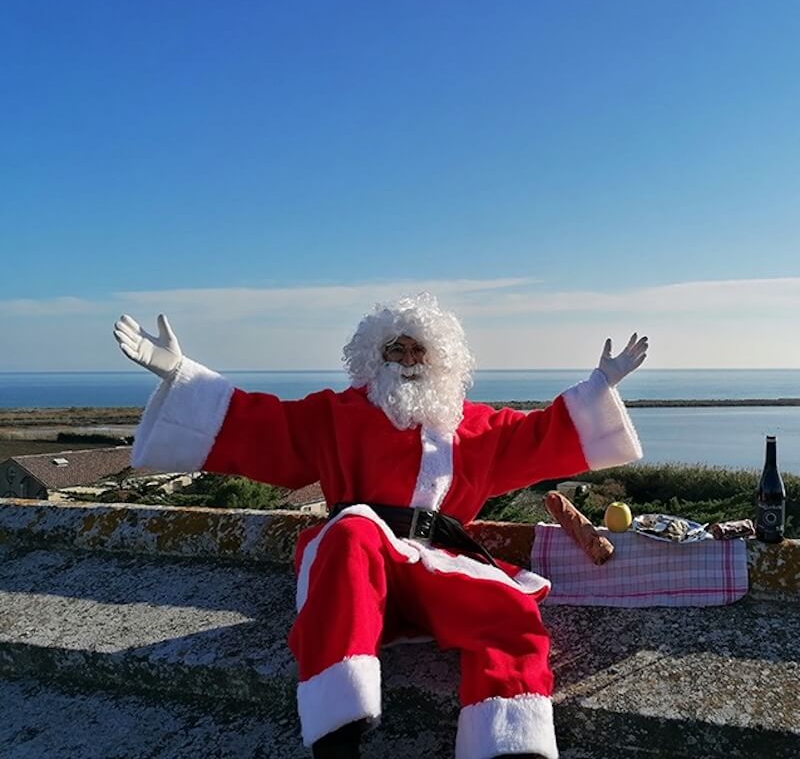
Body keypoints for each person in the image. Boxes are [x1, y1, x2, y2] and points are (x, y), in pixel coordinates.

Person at [113, 293, 648, 759]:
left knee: (508, 609)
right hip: (359, 564)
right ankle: (338, 733)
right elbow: (260, 424)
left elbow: (543, 433)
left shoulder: (479, 426)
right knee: (351, 532)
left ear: (442, 360)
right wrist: (180, 376)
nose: (409, 360)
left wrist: (601, 383)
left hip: (442, 562)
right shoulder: (335, 415)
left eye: (420, 351)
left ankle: (510, 744)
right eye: (397, 349)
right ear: (376, 356)